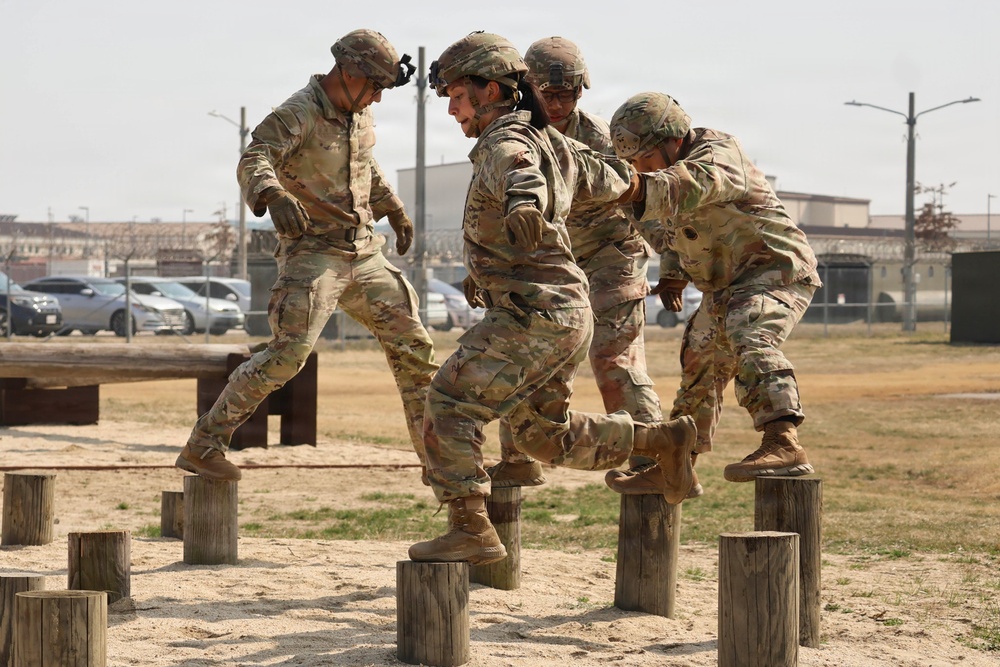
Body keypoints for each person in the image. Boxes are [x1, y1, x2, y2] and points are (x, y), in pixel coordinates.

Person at [407, 33, 696, 566]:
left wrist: (524, 204)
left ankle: (469, 525)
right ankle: (659, 443)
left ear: (490, 89)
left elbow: (520, 174)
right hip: (565, 312)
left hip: (533, 313)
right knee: (541, 435)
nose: (450, 108)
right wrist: (637, 185)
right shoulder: (554, 140)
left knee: (448, 402)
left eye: (455, 95)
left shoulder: (505, 142)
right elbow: (609, 176)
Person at [175, 29, 438, 481]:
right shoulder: (300, 112)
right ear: (349, 72)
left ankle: (442, 464)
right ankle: (205, 444)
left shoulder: (358, 113)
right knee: (288, 354)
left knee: (415, 350)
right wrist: (272, 194)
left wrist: (391, 206)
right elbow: (254, 158)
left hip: (364, 252)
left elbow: (363, 164)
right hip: (313, 253)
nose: (376, 97)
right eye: (373, 86)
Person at [607, 92, 821, 490]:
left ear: (672, 141)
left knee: (749, 331)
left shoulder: (719, 154)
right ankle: (678, 466)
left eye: (644, 158)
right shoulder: (663, 174)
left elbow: (684, 188)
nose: (640, 168)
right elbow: (668, 229)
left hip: (775, 271)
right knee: (699, 363)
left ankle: (783, 439)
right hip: (725, 287)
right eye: (633, 164)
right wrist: (673, 273)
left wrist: (632, 186)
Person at [487, 36, 669, 493]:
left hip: (612, 256)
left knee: (614, 357)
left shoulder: (605, 140)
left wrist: (676, 261)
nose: (560, 103)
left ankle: (657, 458)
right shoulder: (512, 135)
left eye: (569, 93)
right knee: (529, 353)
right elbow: (494, 207)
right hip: (553, 262)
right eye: (550, 94)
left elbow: (642, 199)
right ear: (526, 88)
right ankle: (519, 458)